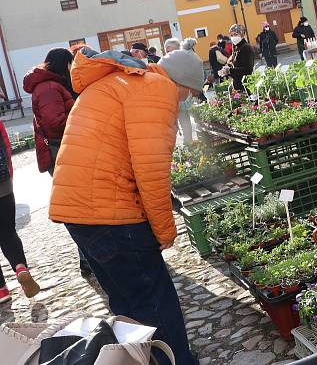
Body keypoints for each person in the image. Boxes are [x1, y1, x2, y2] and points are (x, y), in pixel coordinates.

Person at [49, 47, 204, 365]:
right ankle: (176, 361)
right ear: (182, 84)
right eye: (189, 95)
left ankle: (144, 359)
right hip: (110, 211)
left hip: (78, 210)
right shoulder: (156, 88)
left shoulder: (125, 81)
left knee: (126, 298)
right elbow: (150, 169)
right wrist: (164, 231)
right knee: (155, 298)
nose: (185, 101)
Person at [22, 48, 92, 277]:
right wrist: (82, 117)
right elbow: (55, 122)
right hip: (63, 151)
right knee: (81, 206)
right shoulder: (50, 87)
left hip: (63, 151)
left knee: (81, 205)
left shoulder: (47, 85)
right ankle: (89, 257)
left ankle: (89, 256)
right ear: (64, 64)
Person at [0, 119, 41, 304]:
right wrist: (9, 176)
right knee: (8, 232)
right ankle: (20, 268)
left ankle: (1, 290)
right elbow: (6, 147)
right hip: (2, 184)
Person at [218, 24, 254, 92]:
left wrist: (230, 71)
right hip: (238, 84)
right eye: (231, 35)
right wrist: (226, 68)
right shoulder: (235, 47)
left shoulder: (246, 47)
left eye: (235, 34)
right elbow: (234, 62)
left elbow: (248, 70)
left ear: (242, 35)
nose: (233, 37)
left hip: (246, 85)